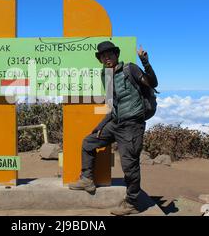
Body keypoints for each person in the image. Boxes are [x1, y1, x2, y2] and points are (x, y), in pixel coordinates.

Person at [68, 41, 158, 216]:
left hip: (132, 125)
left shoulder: (130, 69)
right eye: (103, 56)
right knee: (88, 142)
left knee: (129, 165)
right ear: (100, 59)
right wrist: (100, 126)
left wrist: (145, 62)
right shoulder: (106, 76)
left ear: (116, 55)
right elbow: (113, 105)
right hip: (116, 123)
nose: (106, 58)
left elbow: (152, 83)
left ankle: (132, 203)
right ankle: (87, 179)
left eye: (109, 54)